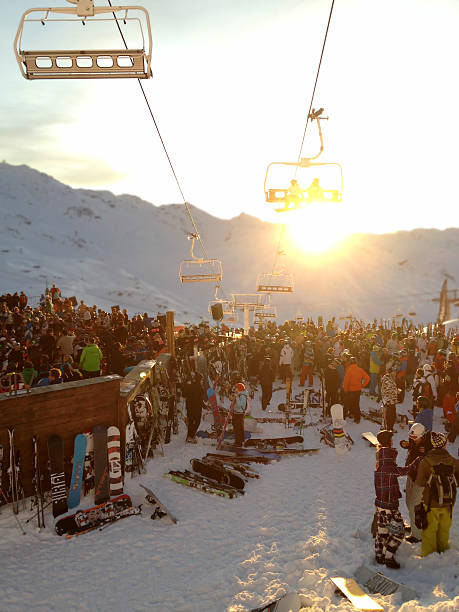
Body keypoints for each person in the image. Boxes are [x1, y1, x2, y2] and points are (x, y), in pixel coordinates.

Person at [374, 429, 421, 569]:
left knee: (382, 530)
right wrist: (416, 462)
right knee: (398, 533)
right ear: (389, 442)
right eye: (392, 439)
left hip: (380, 503)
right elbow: (401, 471)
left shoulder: (380, 459)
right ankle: (389, 557)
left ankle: (379, 555)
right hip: (389, 505)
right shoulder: (387, 460)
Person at [414, 432, 459, 557]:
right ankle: (443, 550)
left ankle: (429, 555)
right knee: (444, 528)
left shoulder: (426, 461)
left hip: (431, 503)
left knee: (430, 529)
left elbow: (419, 482)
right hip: (448, 502)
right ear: (444, 444)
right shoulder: (452, 461)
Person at [399, 423, 431, 542]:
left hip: (420, 480)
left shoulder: (428, 445)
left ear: (422, 436)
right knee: (409, 503)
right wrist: (405, 444)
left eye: (414, 438)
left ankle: (417, 535)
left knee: (414, 504)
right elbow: (409, 446)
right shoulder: (414, 441)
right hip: (411, 475)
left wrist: (427, 451)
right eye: (411, 438)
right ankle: (415, 525)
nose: (412, 440)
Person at [343, 356, 370, 423]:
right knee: (356, 404)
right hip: (358, 389)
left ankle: (343, 417)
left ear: (350, 362)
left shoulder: (349, 370)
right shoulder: (360, 370)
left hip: (350, 390)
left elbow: (346, 381)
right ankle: (357, 418)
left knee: (346, 404)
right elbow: (368, 378)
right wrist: (362, 385)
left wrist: (345, 390)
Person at [182, 371, 206, 443]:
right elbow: (199, 399)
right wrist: (204, 406)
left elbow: (184, 395)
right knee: (196, 422)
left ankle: (190, 436)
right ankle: (190, 436)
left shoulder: (192, 385)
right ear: (199, 380)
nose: (202, 381)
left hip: (191, 407)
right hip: (195, 407)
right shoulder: (197, 387)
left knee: (192, 422)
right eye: (201, 380)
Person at [381, 364, 398, 431]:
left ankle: (390, 427)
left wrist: (396, 391)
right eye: (394, 372)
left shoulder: (391, 378)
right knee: (390, 415)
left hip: (392, 400)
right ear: (391, 372)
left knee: (392, 415)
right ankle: (388, 428)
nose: (395, 373)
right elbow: (385, 391)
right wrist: (387, 401)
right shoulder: (387, 379)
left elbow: (392, 389)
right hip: (389, 401)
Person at [232, 382, 249, 447]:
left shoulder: (242, 396)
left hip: (239, 414)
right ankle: (240, 441)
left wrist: (236, 398)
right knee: (238, 428)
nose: (235, 389)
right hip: (237, 413)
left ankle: (238, 442)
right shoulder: (240, 395)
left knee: (238, 429)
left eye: (236, 388)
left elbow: (240, 405)